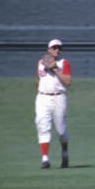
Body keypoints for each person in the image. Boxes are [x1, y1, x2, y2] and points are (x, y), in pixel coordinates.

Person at [35, 39, 72, 169]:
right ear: (49, 49)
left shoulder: (63, 63)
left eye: (59, 48)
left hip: (59, 98)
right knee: (42, 125)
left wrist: (56, 69)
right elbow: (37, 80)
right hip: (43, 97)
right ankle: (45, 159)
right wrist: (40, 92)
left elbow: (67, 82)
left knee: (61, 131)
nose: (57, 50)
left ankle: (65, 152)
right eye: (54, 47)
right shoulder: (40, 63)